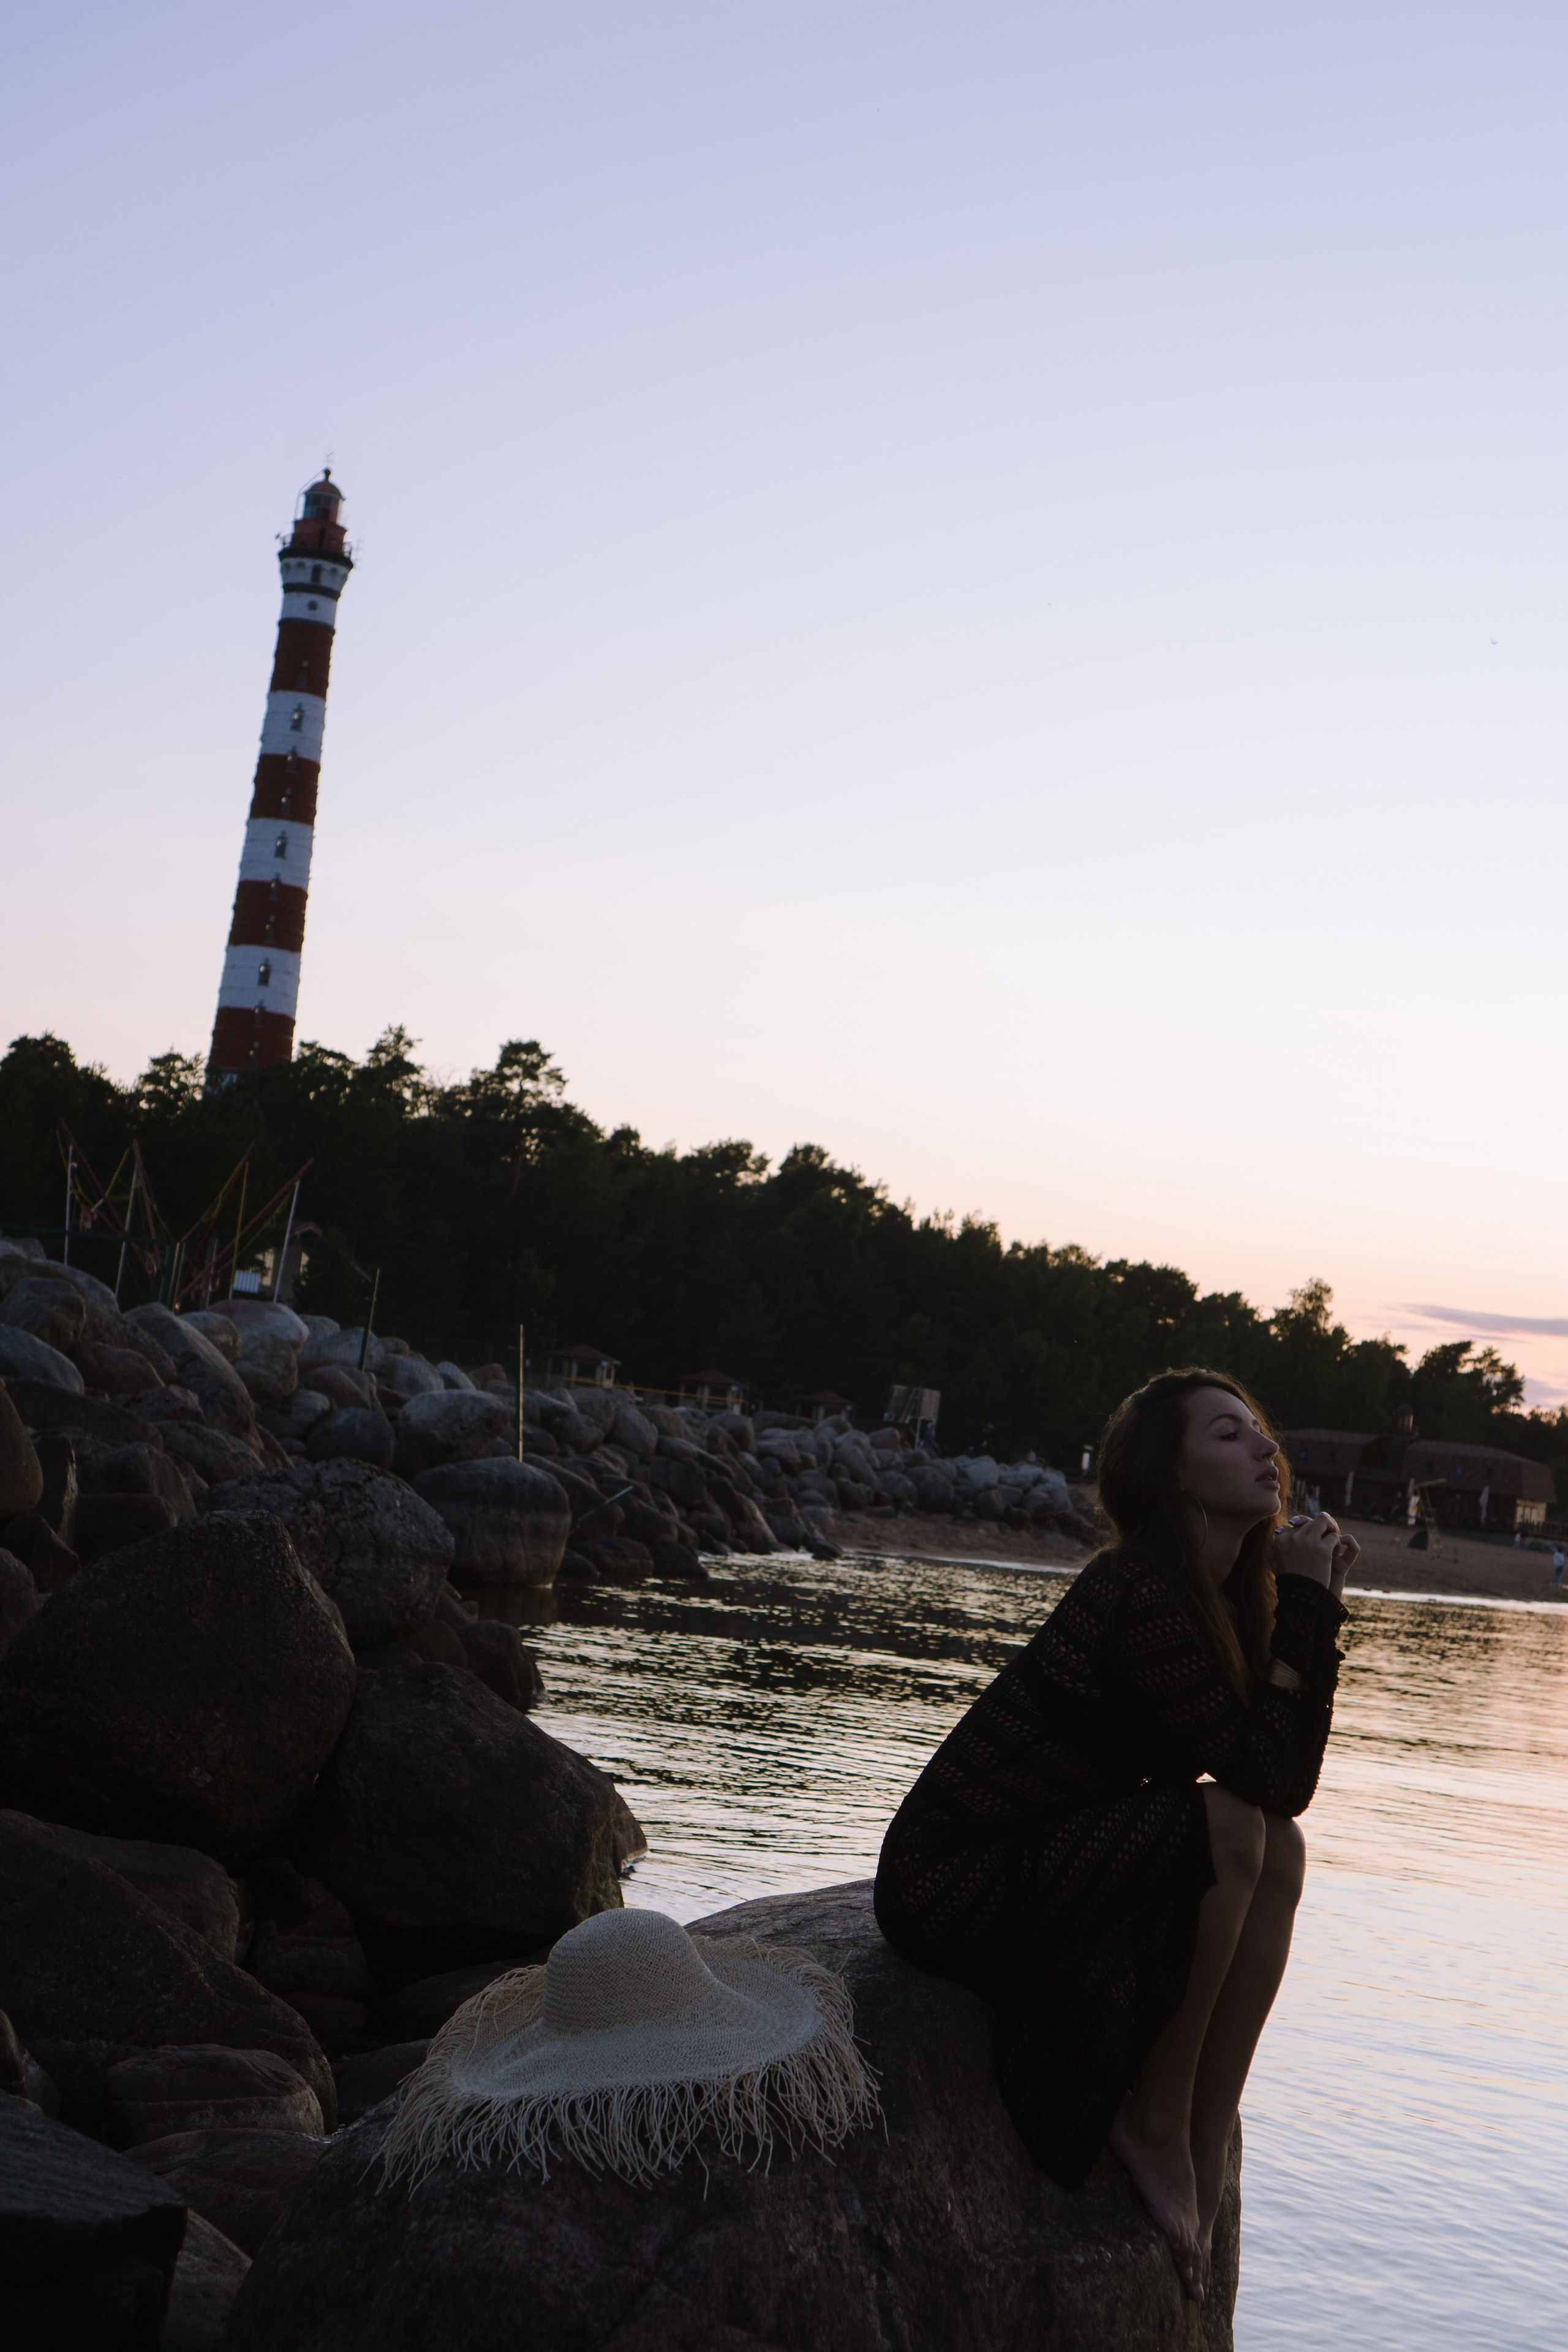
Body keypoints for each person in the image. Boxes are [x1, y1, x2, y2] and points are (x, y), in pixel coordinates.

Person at [873, 1368, 1355, 2303]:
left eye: (1260, 1431)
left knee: (1277, 1849)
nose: (1265, 1448)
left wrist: (1310, 1608)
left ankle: (1205, 2139)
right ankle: (1156, 2121)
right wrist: (1307, 1610)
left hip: (1061, 1852)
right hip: (954, 1877)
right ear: (1172, 1475)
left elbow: (1284, 1789)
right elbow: (1254, 1783)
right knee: (1228, 1826)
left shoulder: (1226, 1599)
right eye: (1228, 1434)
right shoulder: (1136, 1589)